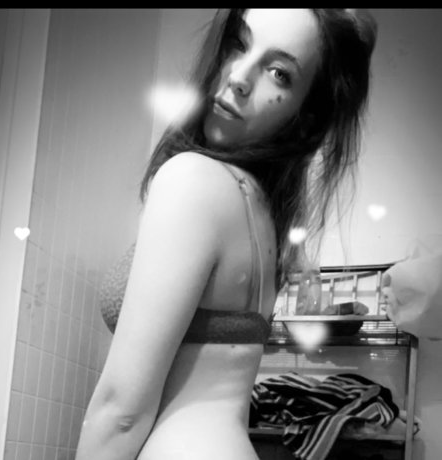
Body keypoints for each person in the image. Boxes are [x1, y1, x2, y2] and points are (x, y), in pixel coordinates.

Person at [75, 8, 377, 460]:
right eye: (239, 43)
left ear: (306, 116)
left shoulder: (193, 180)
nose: (238, 77)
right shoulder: (259, 211)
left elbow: (121, 411)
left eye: (279, 73)